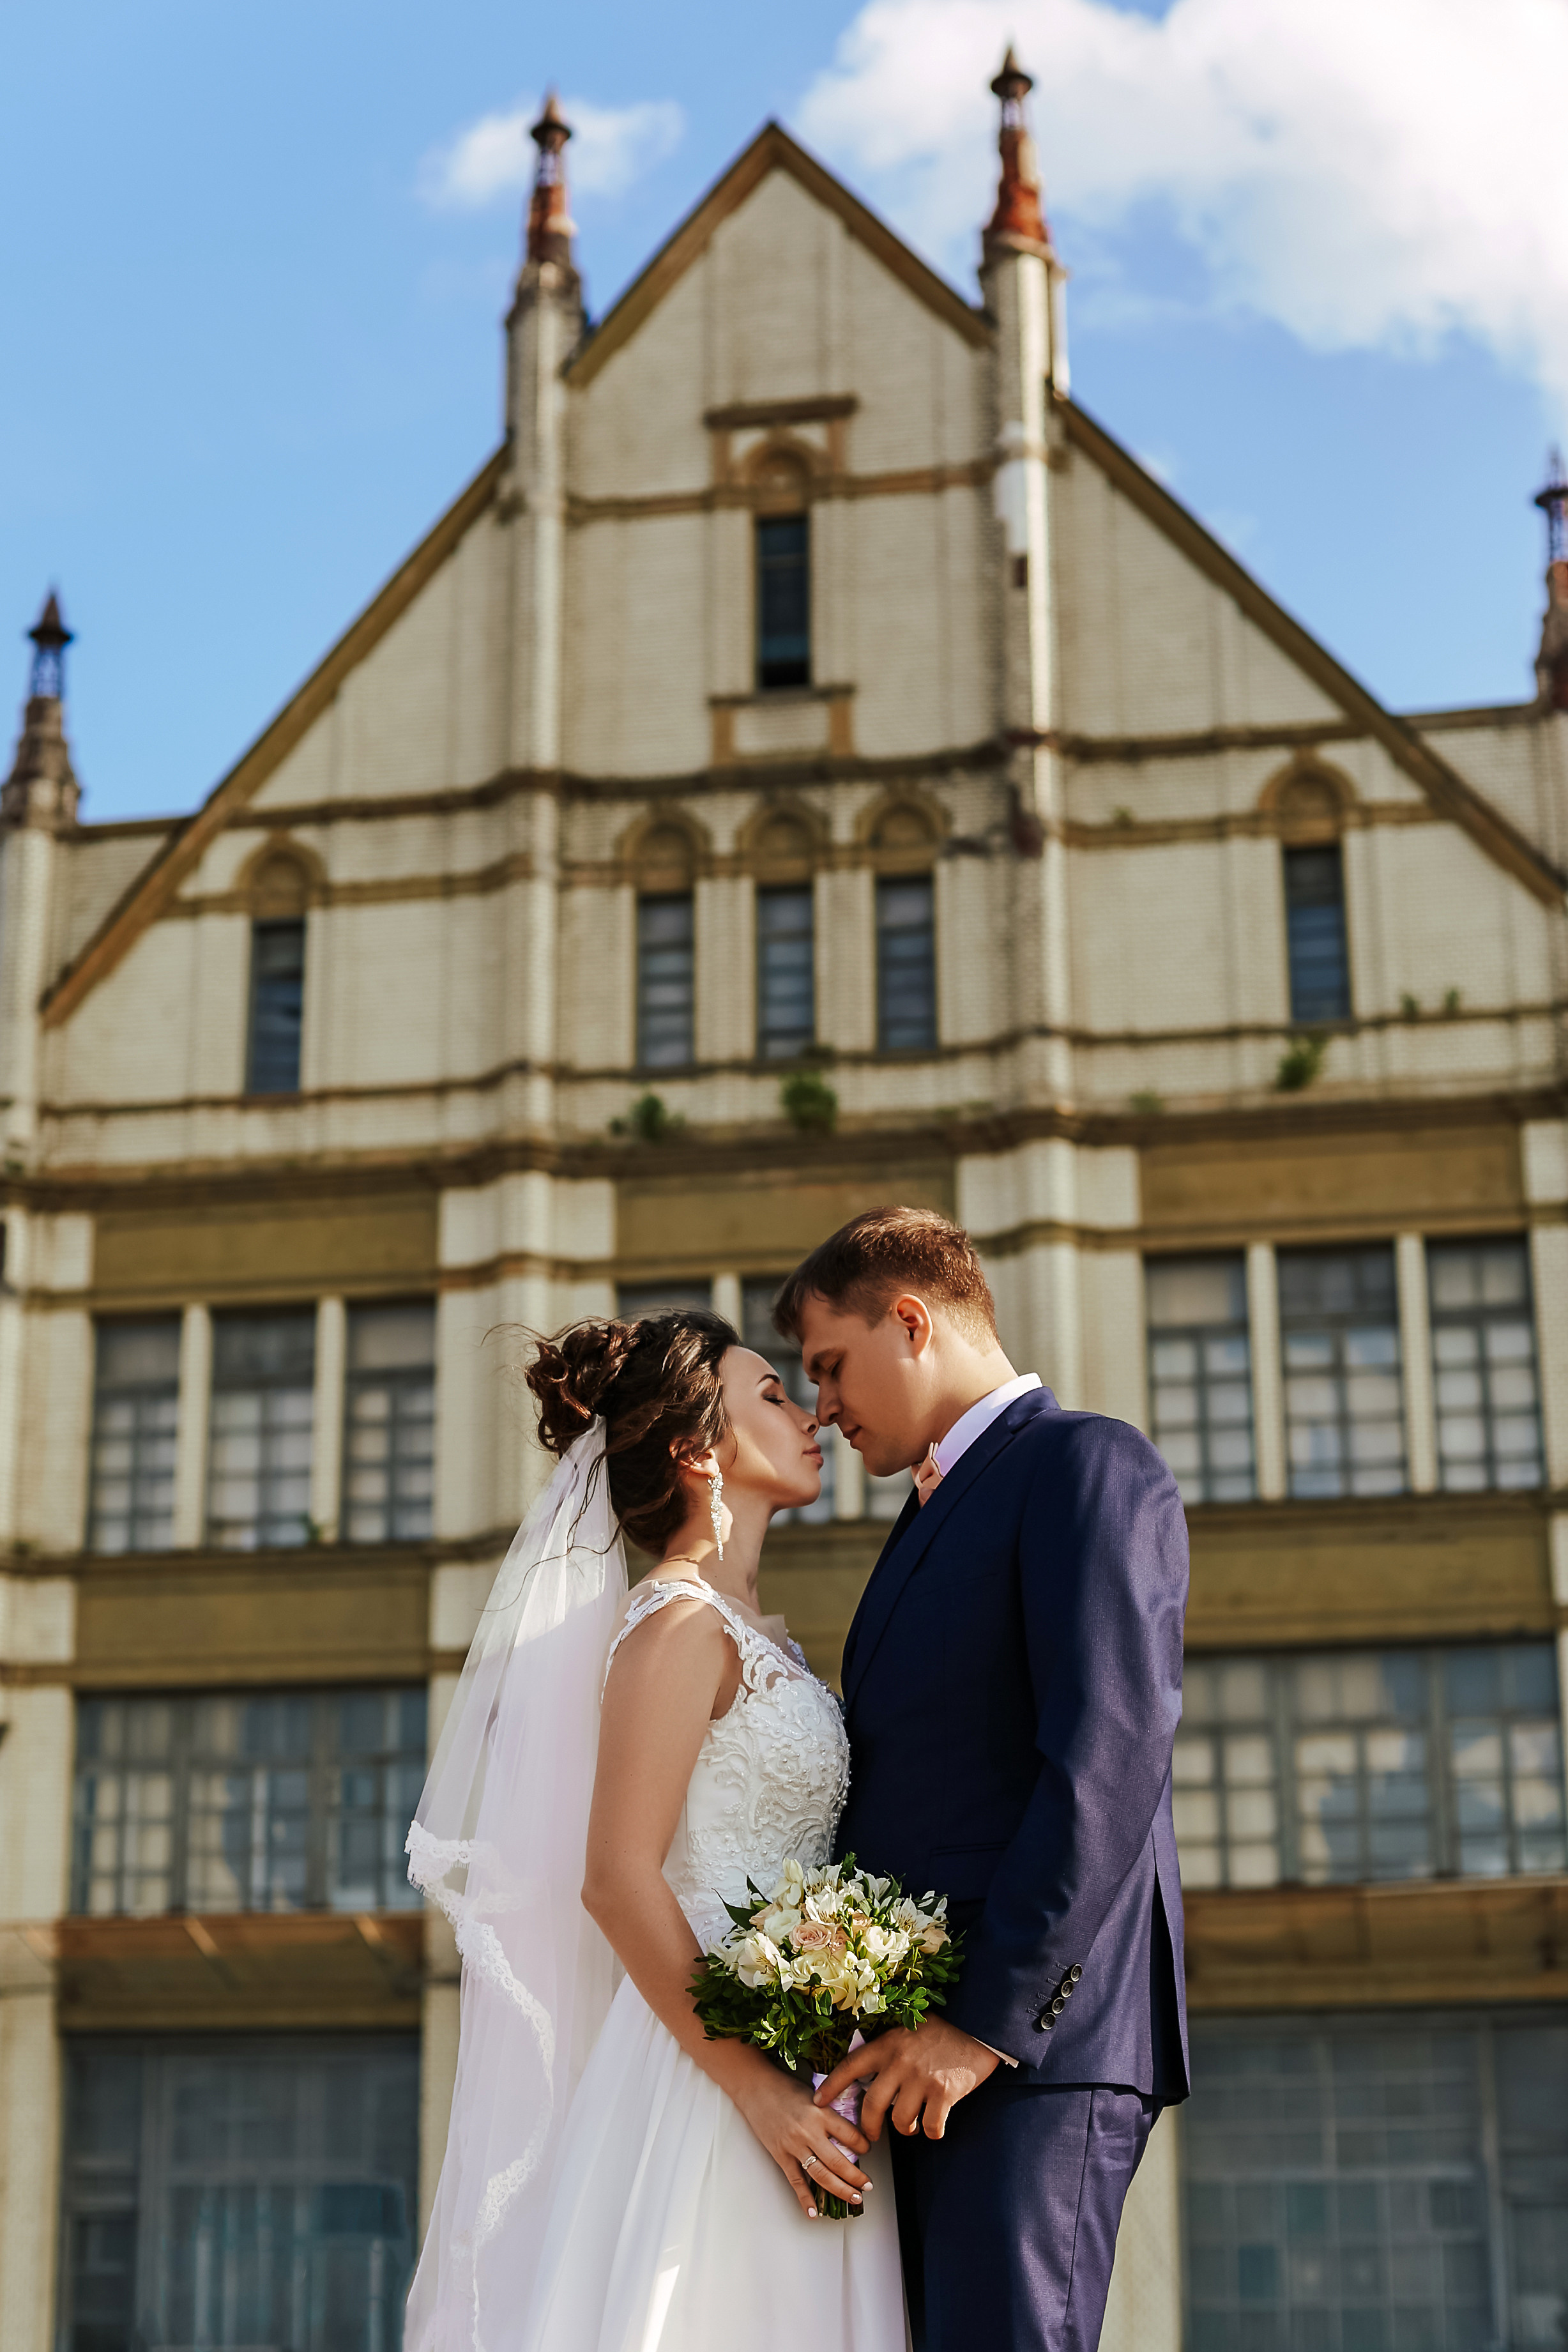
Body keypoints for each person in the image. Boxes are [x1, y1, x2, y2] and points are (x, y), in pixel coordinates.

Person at [404, 1308, 909, 2352]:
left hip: (806, 2057)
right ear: (695, 1448)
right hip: (710, 2079)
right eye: (771, 1394)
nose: (811, 1411)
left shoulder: (765, 1638)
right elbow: (618, 1879)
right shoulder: (678, 1625)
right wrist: (759, 2092)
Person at [776, 1207, 1189, 2352]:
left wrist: (984, 2025)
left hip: (1028, 2055)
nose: (820, 1406)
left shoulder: (1084, 1464)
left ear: (909, 1320)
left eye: (827, 1366)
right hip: (920, 2057)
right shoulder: (921, 1519)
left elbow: (1110, 1753)